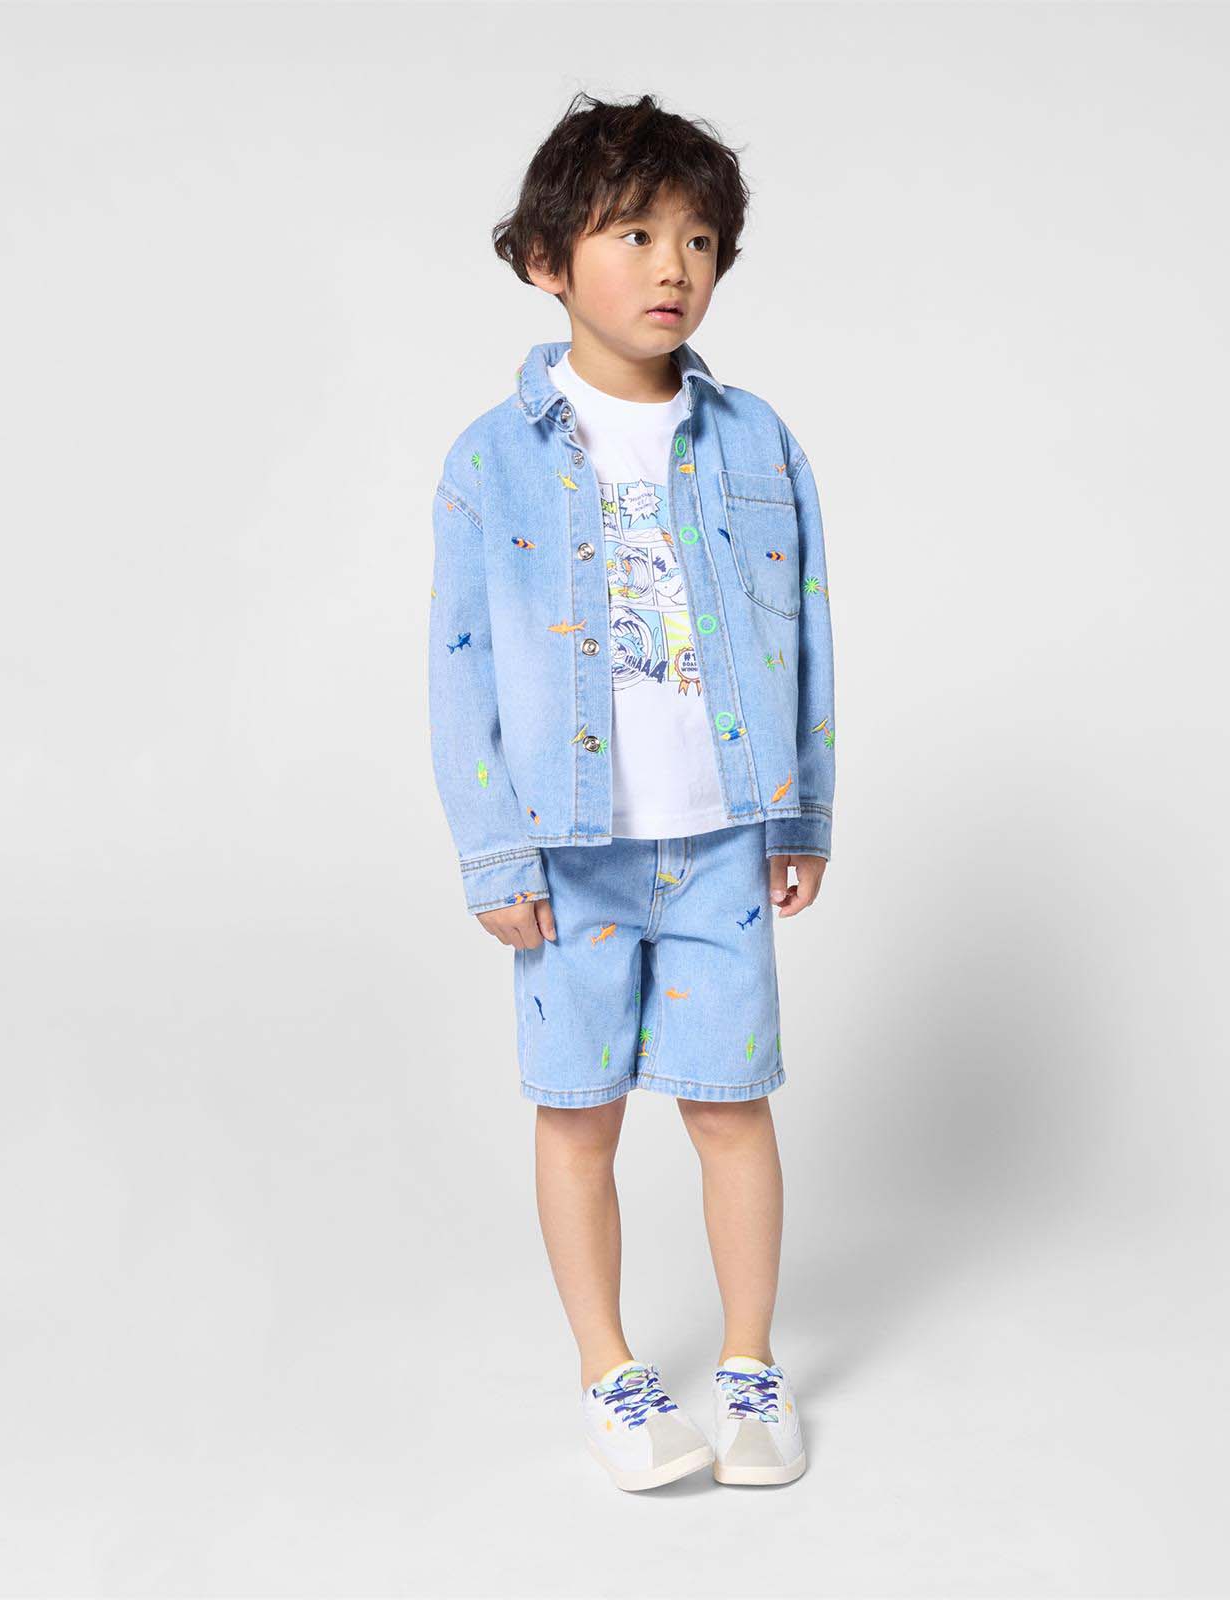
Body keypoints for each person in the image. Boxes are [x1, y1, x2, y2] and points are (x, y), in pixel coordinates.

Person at [426, 91, 835, 1491]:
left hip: (723, 841)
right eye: (638, 234)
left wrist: (802, 811)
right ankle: (610, 1372)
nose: (676, 267)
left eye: (701, 241)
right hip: (571, 851)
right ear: (548, 260)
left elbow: (808, 635)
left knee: (731, 1105)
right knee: (579, 1112)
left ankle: (751, 1367)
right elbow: (460, 671)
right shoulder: (492, 462)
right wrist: (496, 856)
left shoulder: (758, 442)